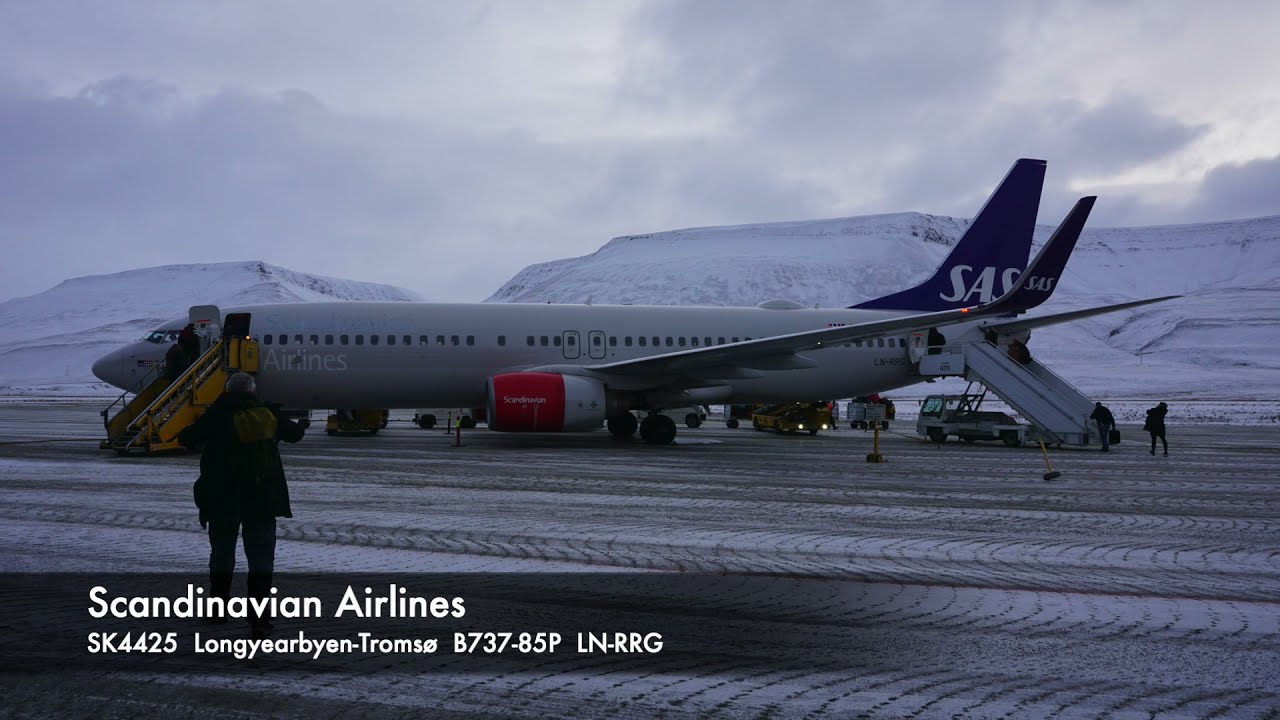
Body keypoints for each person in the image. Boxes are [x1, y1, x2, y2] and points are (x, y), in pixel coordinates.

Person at [178, 372, 308, 637]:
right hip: (261, 499)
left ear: (227, 390)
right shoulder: (268, 414)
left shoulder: (218, 414)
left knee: (223, 555)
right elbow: (295, 434)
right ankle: (259, 619)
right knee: (260, 559)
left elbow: (186, 437)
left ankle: (217, 611)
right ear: (253, 391)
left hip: (223, 499)